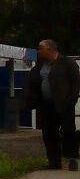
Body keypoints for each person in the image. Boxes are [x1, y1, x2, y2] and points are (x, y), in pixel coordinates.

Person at [24, 40, 80, 171]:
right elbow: (33, 81)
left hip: (64, 104)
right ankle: (54, 162)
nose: (38, 51)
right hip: (46, 104)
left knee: (68, 132)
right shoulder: (40, 65)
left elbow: (75, 84)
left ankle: (71, 160)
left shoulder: (67, 63)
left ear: (50, 49)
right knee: (49, 133)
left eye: (41, 48)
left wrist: (70, 101)